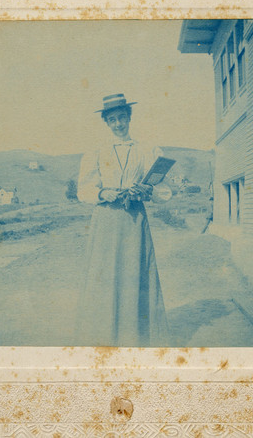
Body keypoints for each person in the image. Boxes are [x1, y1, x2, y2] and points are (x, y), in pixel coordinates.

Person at [75, 93, 169, 347]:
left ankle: (134, 333)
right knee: (106, 275)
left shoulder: (146, 150)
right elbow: (83, 190)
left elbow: (162, 190)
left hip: (134, 219)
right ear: (106, 122)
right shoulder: (96, 152)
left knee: (135, 273)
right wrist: (102, 192)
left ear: (130, 118)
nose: (118, 124)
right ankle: (106, 335)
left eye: (122, 118)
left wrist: (147, 191)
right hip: (107, 219)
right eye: (113, 120)